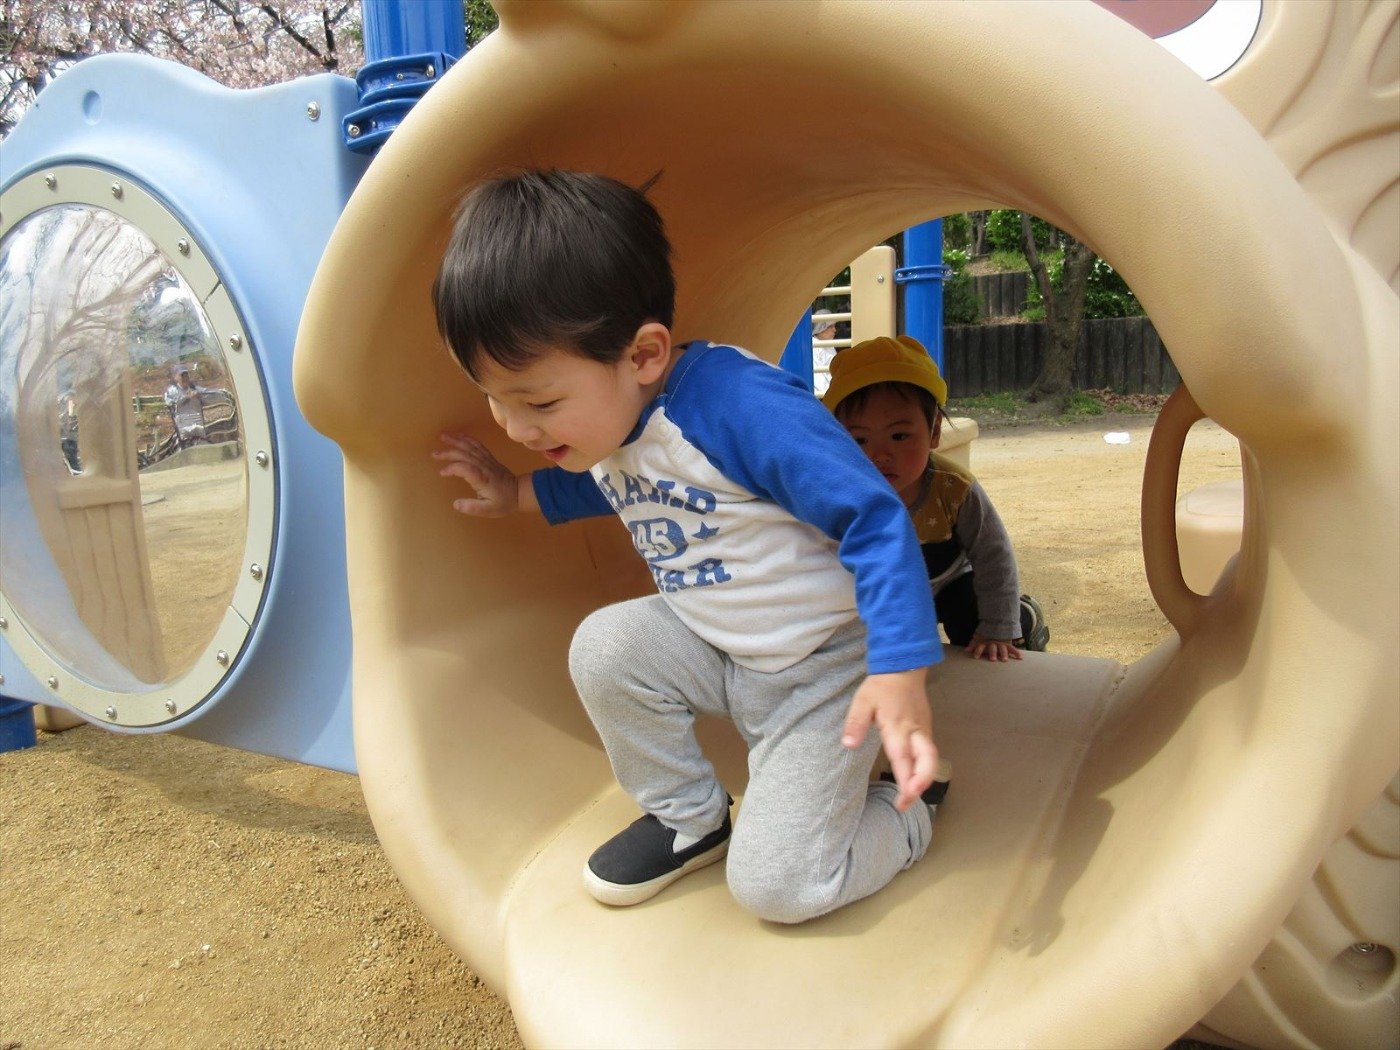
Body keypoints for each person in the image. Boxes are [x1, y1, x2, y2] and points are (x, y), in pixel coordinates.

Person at [432, 170, 949, 923]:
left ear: (644, 355)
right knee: (605, 646)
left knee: (778, 889)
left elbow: (874, 517)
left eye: (538, 401)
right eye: (495, 399)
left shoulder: (738, 407)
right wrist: (513, 492)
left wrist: (901, 669)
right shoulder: (609, 422)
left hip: (821, 667)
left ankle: (908, 817)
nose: (515, 427)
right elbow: (608, 484)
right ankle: (689, 819)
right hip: (719, 645)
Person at [823, 336, 1050, 661]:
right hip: (885, 593)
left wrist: (998, 628)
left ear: (934, 432)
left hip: (949, 585)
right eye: (859, 440)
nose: (879, 455)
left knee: (971, 621)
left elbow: (994, 555)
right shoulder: (835, 494)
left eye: (899, 436)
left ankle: (1023, 619)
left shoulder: (954, 488)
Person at [163, 364, 207, 445]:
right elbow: (169, 403)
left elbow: (207, 394)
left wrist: (200, 396)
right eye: (182, 375)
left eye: (186, 375)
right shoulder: (172, 391)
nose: (185, 378)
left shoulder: (194, 388)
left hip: (198, 426)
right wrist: (187, 397)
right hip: (183, 428)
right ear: (175, 377)